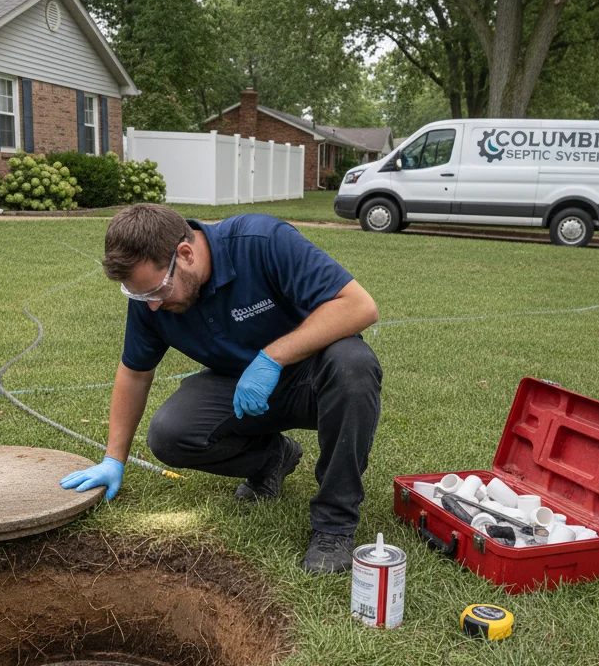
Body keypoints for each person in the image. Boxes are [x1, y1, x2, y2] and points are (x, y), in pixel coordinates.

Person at [60, 204, 382, 573]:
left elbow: (359, 306)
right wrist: (114, 459)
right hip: (240, 387)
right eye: (139, 296)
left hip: (315, 378)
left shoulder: (262, 242)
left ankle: (334, 524)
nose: (152, 304)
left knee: (353, 364)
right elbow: (135, 373)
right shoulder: (152, 301)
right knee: (170, 433)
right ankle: (274, 458)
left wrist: (272, 358)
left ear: (185, 254)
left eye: (159, 289)